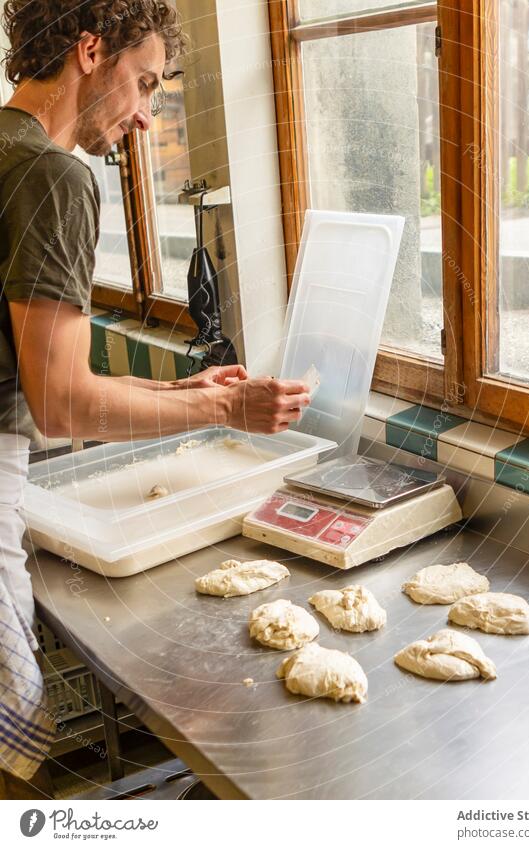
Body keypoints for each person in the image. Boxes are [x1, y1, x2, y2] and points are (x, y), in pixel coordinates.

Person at [0, 0, 310, 797]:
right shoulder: (53, 175)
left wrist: (178, 389)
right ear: (89, 50)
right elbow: (62, 401)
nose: (144, 116)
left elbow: (45, 373)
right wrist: (226, 411)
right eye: (142, 84)